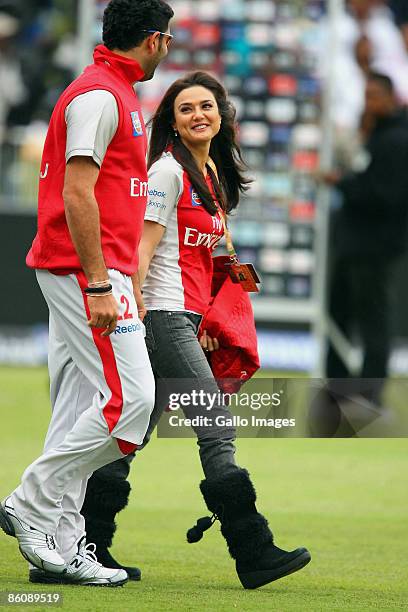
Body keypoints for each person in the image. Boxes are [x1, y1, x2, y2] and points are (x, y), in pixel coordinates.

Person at [82, 71, 311, 590]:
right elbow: (141, 248)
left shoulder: (213, 178)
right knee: (216, 426)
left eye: (206, 106)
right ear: (173, 123)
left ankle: (83, 543)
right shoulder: (167, 172)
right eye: (185, 109)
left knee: (131, 433)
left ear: (222, 117)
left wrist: (217, 313)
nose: (197, 115)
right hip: (160, 316)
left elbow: (212, 260)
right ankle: (253, 551)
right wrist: (132, 308)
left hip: (185, 319)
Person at [0, 0, 174, 587]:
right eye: (166, 39)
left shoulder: (114, 92)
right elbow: (78, 194)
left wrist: (122, 276)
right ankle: (31, 500)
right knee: (132, 403)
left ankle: (63, 541)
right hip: (84, 271)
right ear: (153, 41)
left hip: (101, 270)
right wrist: (103, 281)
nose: (168, 47)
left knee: (81, 407)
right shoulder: (100, 96)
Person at [324, 72, 408, 404]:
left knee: (373, 320)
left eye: (374, 96)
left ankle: (369, 393)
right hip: (358, 244)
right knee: (342, 313)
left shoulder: (396, 140)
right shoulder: (381, 135)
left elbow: (384, 195)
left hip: (375, 247)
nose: (368, 102)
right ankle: (341, 387)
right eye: (366, 95)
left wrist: (341, 182)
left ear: (391, 97)